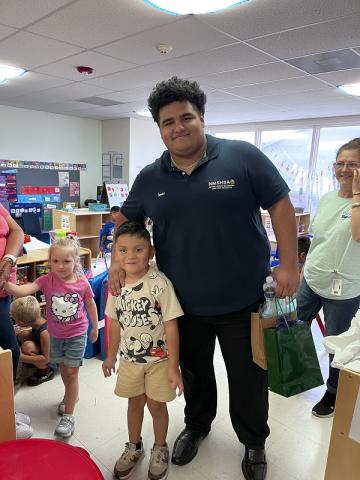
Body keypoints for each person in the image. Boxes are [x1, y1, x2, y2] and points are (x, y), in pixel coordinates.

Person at [109, 77, 298, 480]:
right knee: (194, 375)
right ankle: (196, 426)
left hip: (243, 299)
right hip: (183, 305)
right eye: (167, 122)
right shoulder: (150, 177)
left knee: (249, 378)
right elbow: (125, 219)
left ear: (202, 118)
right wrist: (115, 264)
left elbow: (281, 204)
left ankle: (253, 442)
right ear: (159, 128)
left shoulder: (241, 157)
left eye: (186, 117)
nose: (178, 128)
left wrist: (289, 264)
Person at [103, 221, 183, 480]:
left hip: (159, 361)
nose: (130, 256)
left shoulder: (160, 283)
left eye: (138, 249)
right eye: (123, 250)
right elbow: (114, 323)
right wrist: (110, 354)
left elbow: (171, 326)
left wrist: (173, 367)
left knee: (157, 406)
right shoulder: (116, 284)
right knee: (134, 402)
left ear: (151, 251)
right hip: (129, 360)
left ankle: (160, 447)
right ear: (115, 253)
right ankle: (133, 446)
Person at [5, 237, 99, 438]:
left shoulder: (82, 284)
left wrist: (95, 327)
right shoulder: (46, 280)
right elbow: (23, 290)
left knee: (71, 373)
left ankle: (69, 415)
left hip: (76, 335)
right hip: (56, 336)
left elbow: (90, 305)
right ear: (50, 261)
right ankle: (70, 395)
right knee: (64, 372)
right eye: (55, 261)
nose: (60, 266)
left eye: (66, 261)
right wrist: (6, 284)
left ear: (75, 261)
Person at [297, 138, 360, 418]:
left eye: (353, 164)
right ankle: (296, 373)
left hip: (344, 288)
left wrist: (357, 193)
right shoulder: (326, 199)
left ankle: (333, 391)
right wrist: (303, 269)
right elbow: (318, 239)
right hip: (312, 278)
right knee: (296, 328)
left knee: (336, 343)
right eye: (340, 163)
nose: (345, 169)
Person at [0, 204, 32, 438]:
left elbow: (16, 231)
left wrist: (9, 258)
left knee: (10, 354)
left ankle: (6, 411)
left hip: (3, 293)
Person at [11, 295, 54, 386]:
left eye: (15, 320)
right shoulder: (40, 320)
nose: (14, 322)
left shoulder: (45, 333)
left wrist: (21, 357)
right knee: (23, 335)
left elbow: (46, 358)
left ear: (22, 323)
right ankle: (33, 362)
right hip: (45, 347)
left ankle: (45, 371)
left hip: (51, 359)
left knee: (27, 347)